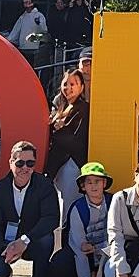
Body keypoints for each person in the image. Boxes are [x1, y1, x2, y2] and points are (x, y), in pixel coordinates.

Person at [0, 141, 59, 277]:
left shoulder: (45, 186)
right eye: (19, 163)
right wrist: (4, 248)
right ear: (10, 162)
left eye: (30, 163)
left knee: (46, 240)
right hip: (7, 243)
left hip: (32, 240)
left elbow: (51, 218)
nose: (25, 168)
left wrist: (25, 240)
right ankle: (4, 276)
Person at [50, 161, 113, 277]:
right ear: (83, 186)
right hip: (83, 254)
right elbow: (80, 248)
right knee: (60, 261)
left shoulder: (114, 202)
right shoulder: (77, 209)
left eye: (97, 181)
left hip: (108, 252)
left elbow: (119, 235)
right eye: (89, 182)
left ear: (104, 183)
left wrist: (102, 252)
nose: (93, 186)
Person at [46, 69, 90, 224]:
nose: (68, 88)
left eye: (73, 84)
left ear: (82, 87)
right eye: (66, 84)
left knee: (70, 211)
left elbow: (76, 141)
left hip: (72, 166)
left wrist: (58, 130)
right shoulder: (59, 107)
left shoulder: (84, 109)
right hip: (56, 166)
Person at [6, 0, 50, 67]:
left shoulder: (39, 16)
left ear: (32, 3)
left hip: (34, 50)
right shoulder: (22, 17)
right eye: (25, 3)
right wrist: (8, 40)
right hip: (22, 48)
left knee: (32, 69)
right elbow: (16, 30)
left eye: (28, 2)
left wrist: (33, 40)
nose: (26, 5)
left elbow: (44, 31)